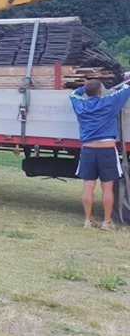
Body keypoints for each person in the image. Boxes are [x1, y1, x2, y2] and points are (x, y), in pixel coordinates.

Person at [69, 77, 130, 230]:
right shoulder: (109, 102)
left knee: (88, 186)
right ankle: (107, 222)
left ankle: (88, 221)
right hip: (107, 150)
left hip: (88, 150)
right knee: (107, 188)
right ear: (100, 91)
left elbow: (73, 94)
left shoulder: (80, 105)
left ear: (87, 92)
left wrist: (84, 87)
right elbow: (126, 88)